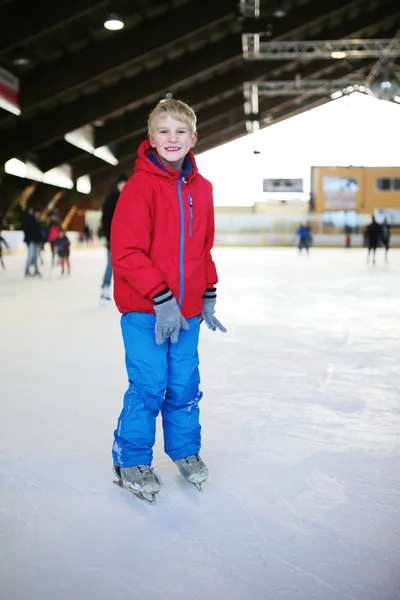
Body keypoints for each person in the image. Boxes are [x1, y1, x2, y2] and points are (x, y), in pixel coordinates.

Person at [110, 99, 226, 502]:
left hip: (188, 314)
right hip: (146, 312)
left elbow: (203, 248)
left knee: (184, 385)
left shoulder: (204, 189)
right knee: (149, 384)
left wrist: (208, 291)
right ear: (151, 139)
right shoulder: (140, 187)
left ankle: (184, 451)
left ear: (193, 138)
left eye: (180, 131)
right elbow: (126, 252)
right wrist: (161, 299)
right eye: (164, 131)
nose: (172, 138)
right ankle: (131, 457)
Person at [99, 174, 128, 304]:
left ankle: (126, 293)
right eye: (121, 183)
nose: (123, 186)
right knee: (111, 264)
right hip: (112, 239)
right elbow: (105, 220)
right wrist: (109, 236)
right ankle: (105, 289)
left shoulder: (130, 197)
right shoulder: (111, 200)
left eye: (125, 183)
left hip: (127, 240)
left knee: (127, 266)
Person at [23, 208, 43, 277]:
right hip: (31, 241)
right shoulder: (30, 220)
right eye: (37, 213)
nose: (38, 214)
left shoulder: (38, 221)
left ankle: (36, 270)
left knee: (36, 256)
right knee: (30, 255)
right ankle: (27, 270)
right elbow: (29, 231)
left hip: (37, 241)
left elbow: (39, 232)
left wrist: (40, 240)